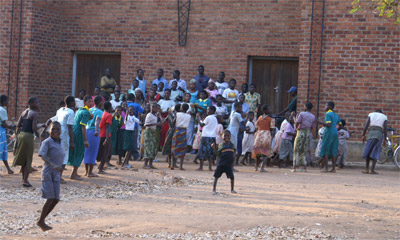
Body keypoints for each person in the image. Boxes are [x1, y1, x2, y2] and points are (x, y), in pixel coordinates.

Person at [37, 121, 64, 231]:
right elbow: (42, 155)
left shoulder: (60, 142)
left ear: (60, 131)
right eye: (53, 129)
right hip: (48, 172)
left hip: (56, 173)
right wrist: (52, 164)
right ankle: (41, 220)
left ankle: (41, 220)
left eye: (57, 129)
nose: (55, 131)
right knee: (50, 197)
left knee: (56, 199)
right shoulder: (47, 142)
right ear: (49, 130)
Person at [13, 97, 44, 187]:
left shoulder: (24, 112)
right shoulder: (34, 113)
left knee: (23, 158)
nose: (38, 103)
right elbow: (34, 128)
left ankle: (23, 179)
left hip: (21, 135)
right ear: (31, 103)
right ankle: (25, 180)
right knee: (28, 158)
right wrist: (41, 125)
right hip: (28, 136)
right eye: (36, 102)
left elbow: (18, 125)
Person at [48, 96, 76, 183]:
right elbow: (70, 127)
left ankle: (53, 175)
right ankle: (58, 176)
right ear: (71, 102)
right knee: (64, 155)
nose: (75, 103)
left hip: (56, 133)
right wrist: (72, 141)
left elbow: (54, 119)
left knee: (56, 154)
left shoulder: (60, 110)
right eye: (74, 102)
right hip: (64, 135)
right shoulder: (71, 112)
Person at [67, 96, 92, 180]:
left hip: (74, 131)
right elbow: (83, 126)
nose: (91, 103)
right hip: (79, 133)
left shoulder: (79, 110)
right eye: (89, 102)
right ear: (85, 103)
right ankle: (74, 173)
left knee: (75, 151)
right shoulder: (86, 112)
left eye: (92, 102)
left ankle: (74, 172)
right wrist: (85, 140)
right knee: (79, 151)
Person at [317, 101, 341, 173]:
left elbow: (328, 124)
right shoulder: (336, 115)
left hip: (329, 133)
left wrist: (319, 122)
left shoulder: (328, 114)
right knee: (334, 150)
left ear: (330, 106)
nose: (325, 107)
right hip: (335, 133)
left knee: (325, 149)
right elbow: (340, 125)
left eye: (326, 105)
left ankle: (326, 168)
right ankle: (333, 168)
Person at [361, 110, 387, 174]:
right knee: (375, 151)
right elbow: (385, 128)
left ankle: (366, 169)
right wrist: (385, 139)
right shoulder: (384, 117)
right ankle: (372, 170)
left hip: (371, 133)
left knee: (368, 150)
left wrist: (363, 135)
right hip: (379, 134)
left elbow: (366, 125)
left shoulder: (371, 114)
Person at [83, 96, 103, 177]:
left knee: (87, 151)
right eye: (102, 101)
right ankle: (90, 172)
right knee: (93, 151)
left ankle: (86, 171)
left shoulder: (90, 109)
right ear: (99, 102)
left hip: (86, 131)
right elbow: (97, 121)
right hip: (94, 132)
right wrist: (96, 130)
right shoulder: (100, 111)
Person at [293, 102, 316, 171]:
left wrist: (293, 116)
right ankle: (304, 167)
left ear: (305, 107)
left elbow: (297, 122)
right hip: (308, 133)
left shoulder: (302, 114)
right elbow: (312, 126)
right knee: (305, 150)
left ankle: (294, 168)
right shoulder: (313, 116)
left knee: (297, 149)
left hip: (301, 132)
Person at [212, 130, 236, 195]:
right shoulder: (221, 145)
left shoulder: (232, 145)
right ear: (222, 137)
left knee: (232, 177)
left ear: (230, 136)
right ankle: (214, 189)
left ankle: (232, 189)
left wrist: (233, 163)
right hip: (221, 164)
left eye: (228, 136)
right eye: (225, 136)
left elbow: (234, 154)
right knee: (216, 177)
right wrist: (214, 148)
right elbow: (218, 154)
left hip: (229, 164)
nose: (226, 137)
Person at [252, 104, 275, 172]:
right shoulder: (271, 119)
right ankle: (262, 168)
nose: (271, 110)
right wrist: (272, 136)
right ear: (266, 110)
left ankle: (256, 167)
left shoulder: (259, 117)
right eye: (269, 109)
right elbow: (273, 129)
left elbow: (256, 126)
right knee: (265, 152)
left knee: (258, 152)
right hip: (266, 135)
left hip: (259, 135)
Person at [197, 106, 218, 171]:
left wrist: (198, 118)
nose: (207, 111)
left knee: (202, 151)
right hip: (212, 136)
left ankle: (201, 167)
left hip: (206, 136)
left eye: (208, 110)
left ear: (212, 111)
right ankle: (210, 167)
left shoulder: (208, 118)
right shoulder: (215, 118)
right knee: (210, 152)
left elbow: (201, 125)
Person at [143, 103, 163, 169]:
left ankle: (151, 164)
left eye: (156, 107)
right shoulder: (149, 115)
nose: (154, 109)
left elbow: (162, 122)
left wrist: (159, 116)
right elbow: (146, 124)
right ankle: (145, 164)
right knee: (148, 148)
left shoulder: (155, 115)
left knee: (153, 148)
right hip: (148, 132)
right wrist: (156, 124)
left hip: (153, 132)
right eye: (153, 107)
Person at [172, 103, 191, 170]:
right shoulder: (189, 116)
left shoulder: (177, 114)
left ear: (181, 108)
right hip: (184, 131)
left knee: (175, 147)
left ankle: (173, 165)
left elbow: (173, 122)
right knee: (182, 148)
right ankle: (180, 166)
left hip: (177, 131)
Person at [0, 95, 16, 174]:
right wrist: (11, 127)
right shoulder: (2, 110)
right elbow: (3, 124)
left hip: (2, 131)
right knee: (2, 150)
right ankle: (8, 169)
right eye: (7, 100)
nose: (8, 102)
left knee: (3, 150)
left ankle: (8, 169)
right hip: (1, 132)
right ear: (3, 101)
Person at [126, 93, 144, 160]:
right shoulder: (136, 105)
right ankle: (135, 155)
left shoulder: (124, 105)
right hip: (134, 126)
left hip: (126, 127)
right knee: (134, 141)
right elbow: (143, 111)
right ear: (133, 99)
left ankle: (128, 155)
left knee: (128, 141)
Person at [97, 102, 113, 174]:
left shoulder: (101, 113)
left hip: (100, 134)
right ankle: (100, 168)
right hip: (105, 135)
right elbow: (108, 126)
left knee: (101, 151)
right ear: (109, 107)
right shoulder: (109, 115)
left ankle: (100, 166)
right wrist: (107, 138)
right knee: (105, 152)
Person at [163, 104, 180, 169]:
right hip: (173, 132)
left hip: (172, 132)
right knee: (171, 147)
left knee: (172, 148)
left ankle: (172, 164)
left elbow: (164, 121)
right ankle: (171, 164)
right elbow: (166, 122)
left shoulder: (171, 115)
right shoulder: (172, 116)